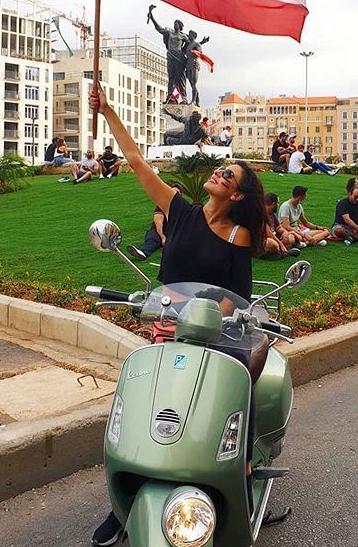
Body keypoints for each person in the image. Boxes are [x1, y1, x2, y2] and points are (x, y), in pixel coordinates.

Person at [88, 82, 268, 546]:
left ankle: (239, 462)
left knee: (239, 375)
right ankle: (122, 503)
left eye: (229, 177)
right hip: (164, 328)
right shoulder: (180, 210)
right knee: (141, 408)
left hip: (207, 331)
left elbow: (233, 295)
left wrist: (202, 316)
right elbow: (137, 164)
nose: (220, 175)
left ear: (238, 197)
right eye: (222, 169)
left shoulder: (237, 238)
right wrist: (108, 112)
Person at [127, 185, 184, 261]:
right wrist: (163, 237)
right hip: (158, 231)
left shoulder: (183, 208)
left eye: (176, 193)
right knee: (153, 239)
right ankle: (142, 253)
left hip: (173, 233)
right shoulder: (162, 205)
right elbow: (158, 223)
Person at [147, 8, 189, 102]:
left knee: (180, 78)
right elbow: (159, 29)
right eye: (174, 23)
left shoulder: (183, 36)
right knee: (171, 77)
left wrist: (201, 43)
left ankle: (183, 97)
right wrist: (152, 17)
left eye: (177, 23)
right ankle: (170, 96)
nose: (175, 25)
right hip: (170, 56)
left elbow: (191, 45)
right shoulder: (169, 32)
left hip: (179, 58)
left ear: (180, 26)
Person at [261, 192, 301, 259]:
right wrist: (282, 245)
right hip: (262, 240)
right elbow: (268, 233)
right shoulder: (261, 215)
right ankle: (279, 252)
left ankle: (278, 252)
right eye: (278, 203)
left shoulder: (271, 214)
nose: (278, 205)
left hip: (273, 237)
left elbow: (278, 227)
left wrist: (284, 232)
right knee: (272, 243)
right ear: (274, 204)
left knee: (290, 238)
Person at [185, 29, 210, 106]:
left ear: (193, 36)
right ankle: (197, 100)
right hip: (188, 65)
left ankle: (193, 101)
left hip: (194, 64)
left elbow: (199, 54)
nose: (188, 36)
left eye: (190, 35)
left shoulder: (197, 45)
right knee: (191, 84)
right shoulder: (189, 45)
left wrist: (194, 52)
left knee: (193, 84)